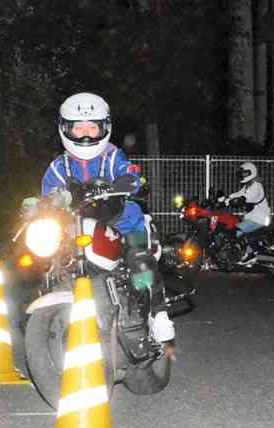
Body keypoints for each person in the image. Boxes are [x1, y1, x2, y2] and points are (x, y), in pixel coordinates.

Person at [38, 92, 174, 344]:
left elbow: (131, 174)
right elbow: (47, 193)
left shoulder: (112, 156)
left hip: (120, 220)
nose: (86, 134)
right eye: (79, 128)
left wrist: (127, 181)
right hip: (76, 225)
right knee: (51, 256)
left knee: (138, 258)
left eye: (93, 127)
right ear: (65, 129)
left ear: (105, 128)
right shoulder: (58, 167)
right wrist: (35, 205)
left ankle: (159, 312)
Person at [223, 161, 271, 263]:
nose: (242, 175)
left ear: (251, 172)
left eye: (245, 173)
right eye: (242, 173)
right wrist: (224, 199)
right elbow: (238, 194)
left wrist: (232, 202)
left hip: (259, 219)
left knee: (237, 231)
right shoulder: (247, 186)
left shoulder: (257, 186)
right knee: (233, 227)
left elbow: (244, 198)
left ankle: (250, 254)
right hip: (252, 218)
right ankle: (244, 252)